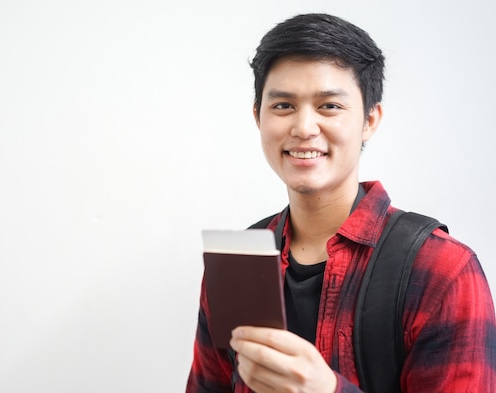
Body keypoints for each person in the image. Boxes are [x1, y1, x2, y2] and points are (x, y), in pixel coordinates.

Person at [186, 13, 496, 393]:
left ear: (369, 120)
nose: (303, 127)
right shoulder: (238, 262)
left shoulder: (443, 270)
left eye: (329, 106)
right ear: (258, 116)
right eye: (283, 105)